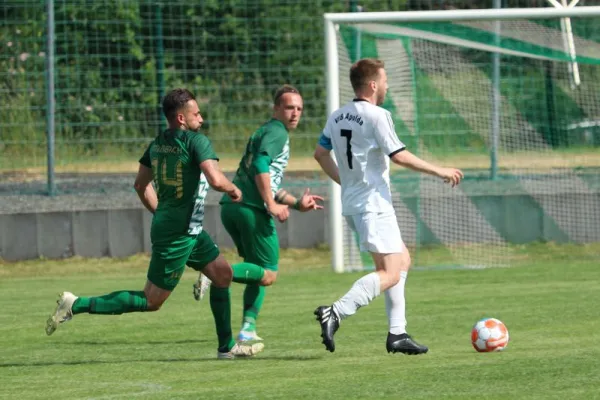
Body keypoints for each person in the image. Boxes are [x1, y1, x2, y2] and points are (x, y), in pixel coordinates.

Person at [45, 88, 264, 359]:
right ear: (181, 119)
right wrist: (234, 190)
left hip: (186, 230)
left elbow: (140, 185)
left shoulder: (157, 144)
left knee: (222, 275)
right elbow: (216, 180)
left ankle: (226, 348)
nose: (202, 119)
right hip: (179, 235)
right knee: (151, 301)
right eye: (196, 114)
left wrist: (161, 213)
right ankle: (76, 304)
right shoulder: (197, 142)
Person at [313, 58, 464, 354]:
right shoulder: (378, 115)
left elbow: (320, 154)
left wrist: (346, 182)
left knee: (401, 261)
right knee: (390, 272)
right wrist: (440, 170)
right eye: (384, 80)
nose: (387, 85)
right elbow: (399, 156)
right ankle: (336, 312)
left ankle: (398, 333)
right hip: (373, 205)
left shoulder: (337, 115)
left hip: (356, 203)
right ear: (372, 85)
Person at [194, 84, 323, 342]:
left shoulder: (266, 131)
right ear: (276, 109)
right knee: (269, 273)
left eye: (299, 108)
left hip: (232, 208)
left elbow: (269, 182)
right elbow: (261, 166)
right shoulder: (277, 133)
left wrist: (297, 203)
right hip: (250, 210)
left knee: (256, 270)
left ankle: (247, 328)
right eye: (289, 107)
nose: (295, 113)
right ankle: (215, 271)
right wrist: (270, 205)